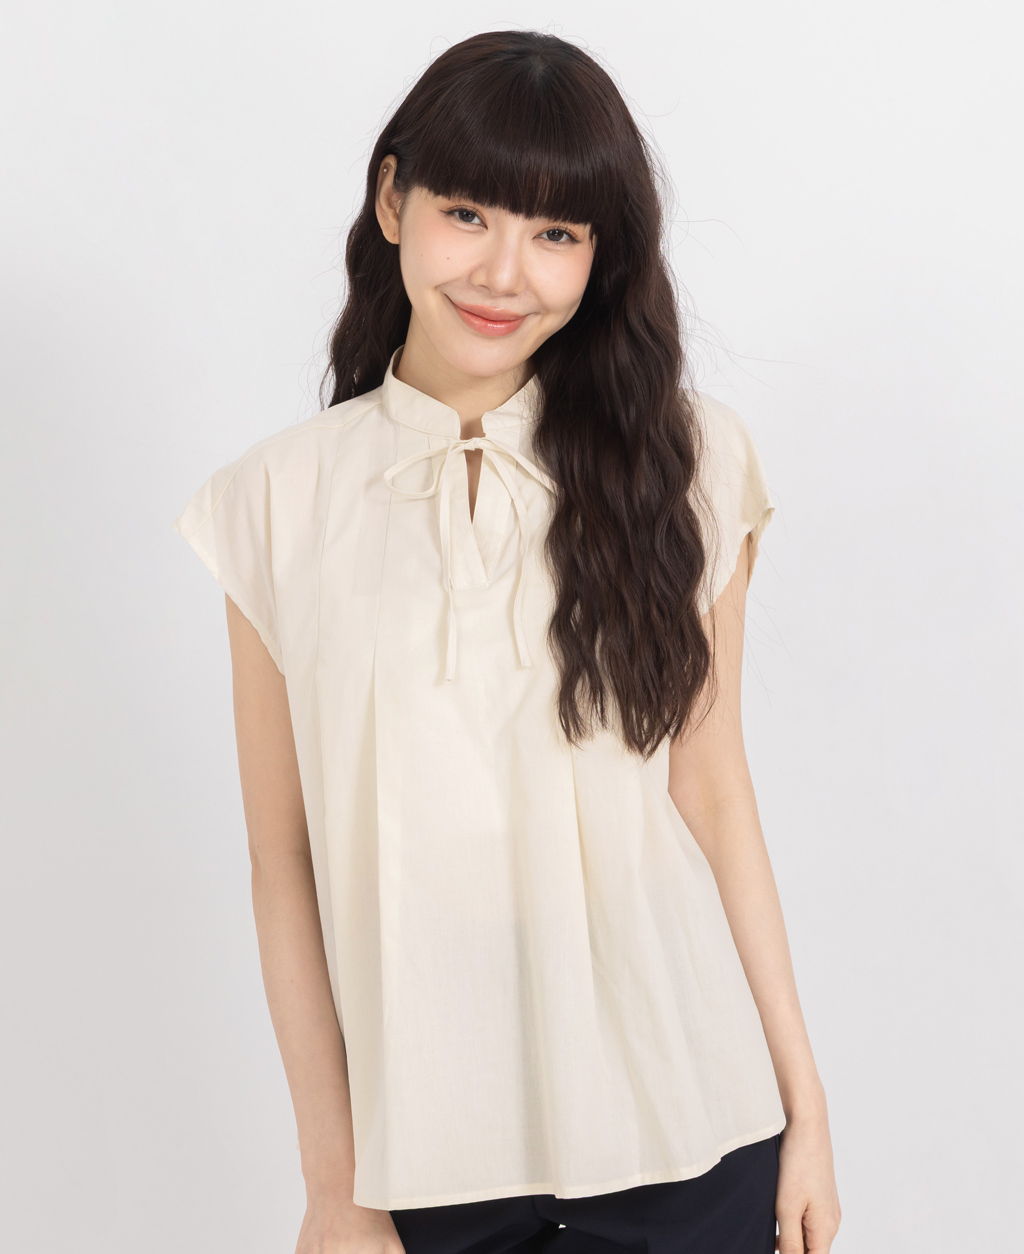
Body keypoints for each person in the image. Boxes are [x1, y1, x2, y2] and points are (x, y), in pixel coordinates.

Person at [172, 29, 841, 1254]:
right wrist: (334, 1185)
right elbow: (285, 862)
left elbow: (712, 790)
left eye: (556, 233)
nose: (503, 272)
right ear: (393, 201)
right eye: (468, 213)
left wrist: (807, 1111)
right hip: (428, 1166)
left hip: (693, 1129)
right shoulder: (272, 502)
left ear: (599, 254)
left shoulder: (689, 465)